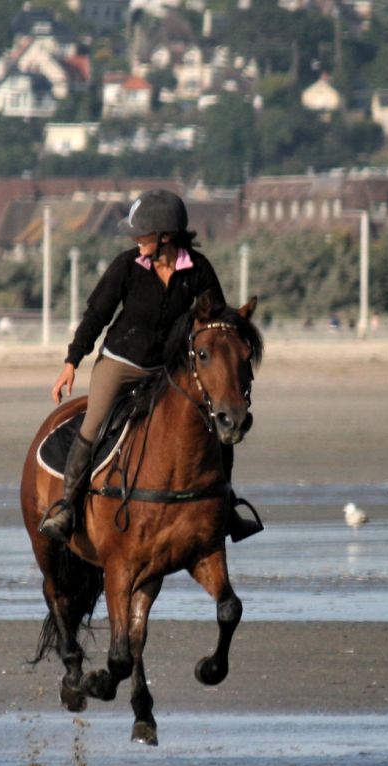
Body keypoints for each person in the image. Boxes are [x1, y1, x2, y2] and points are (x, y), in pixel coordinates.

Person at [39, 189, 261, 545]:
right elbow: (96, 316)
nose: (136, 240)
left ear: (165, 237)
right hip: (121, 363)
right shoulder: (127, 266)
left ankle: (227, 506)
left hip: (168, 370)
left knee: (215, 422)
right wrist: (71, 361)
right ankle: (67, 506)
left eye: (142, 234)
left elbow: (216, 321)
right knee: (94, 425)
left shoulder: (198, 270)